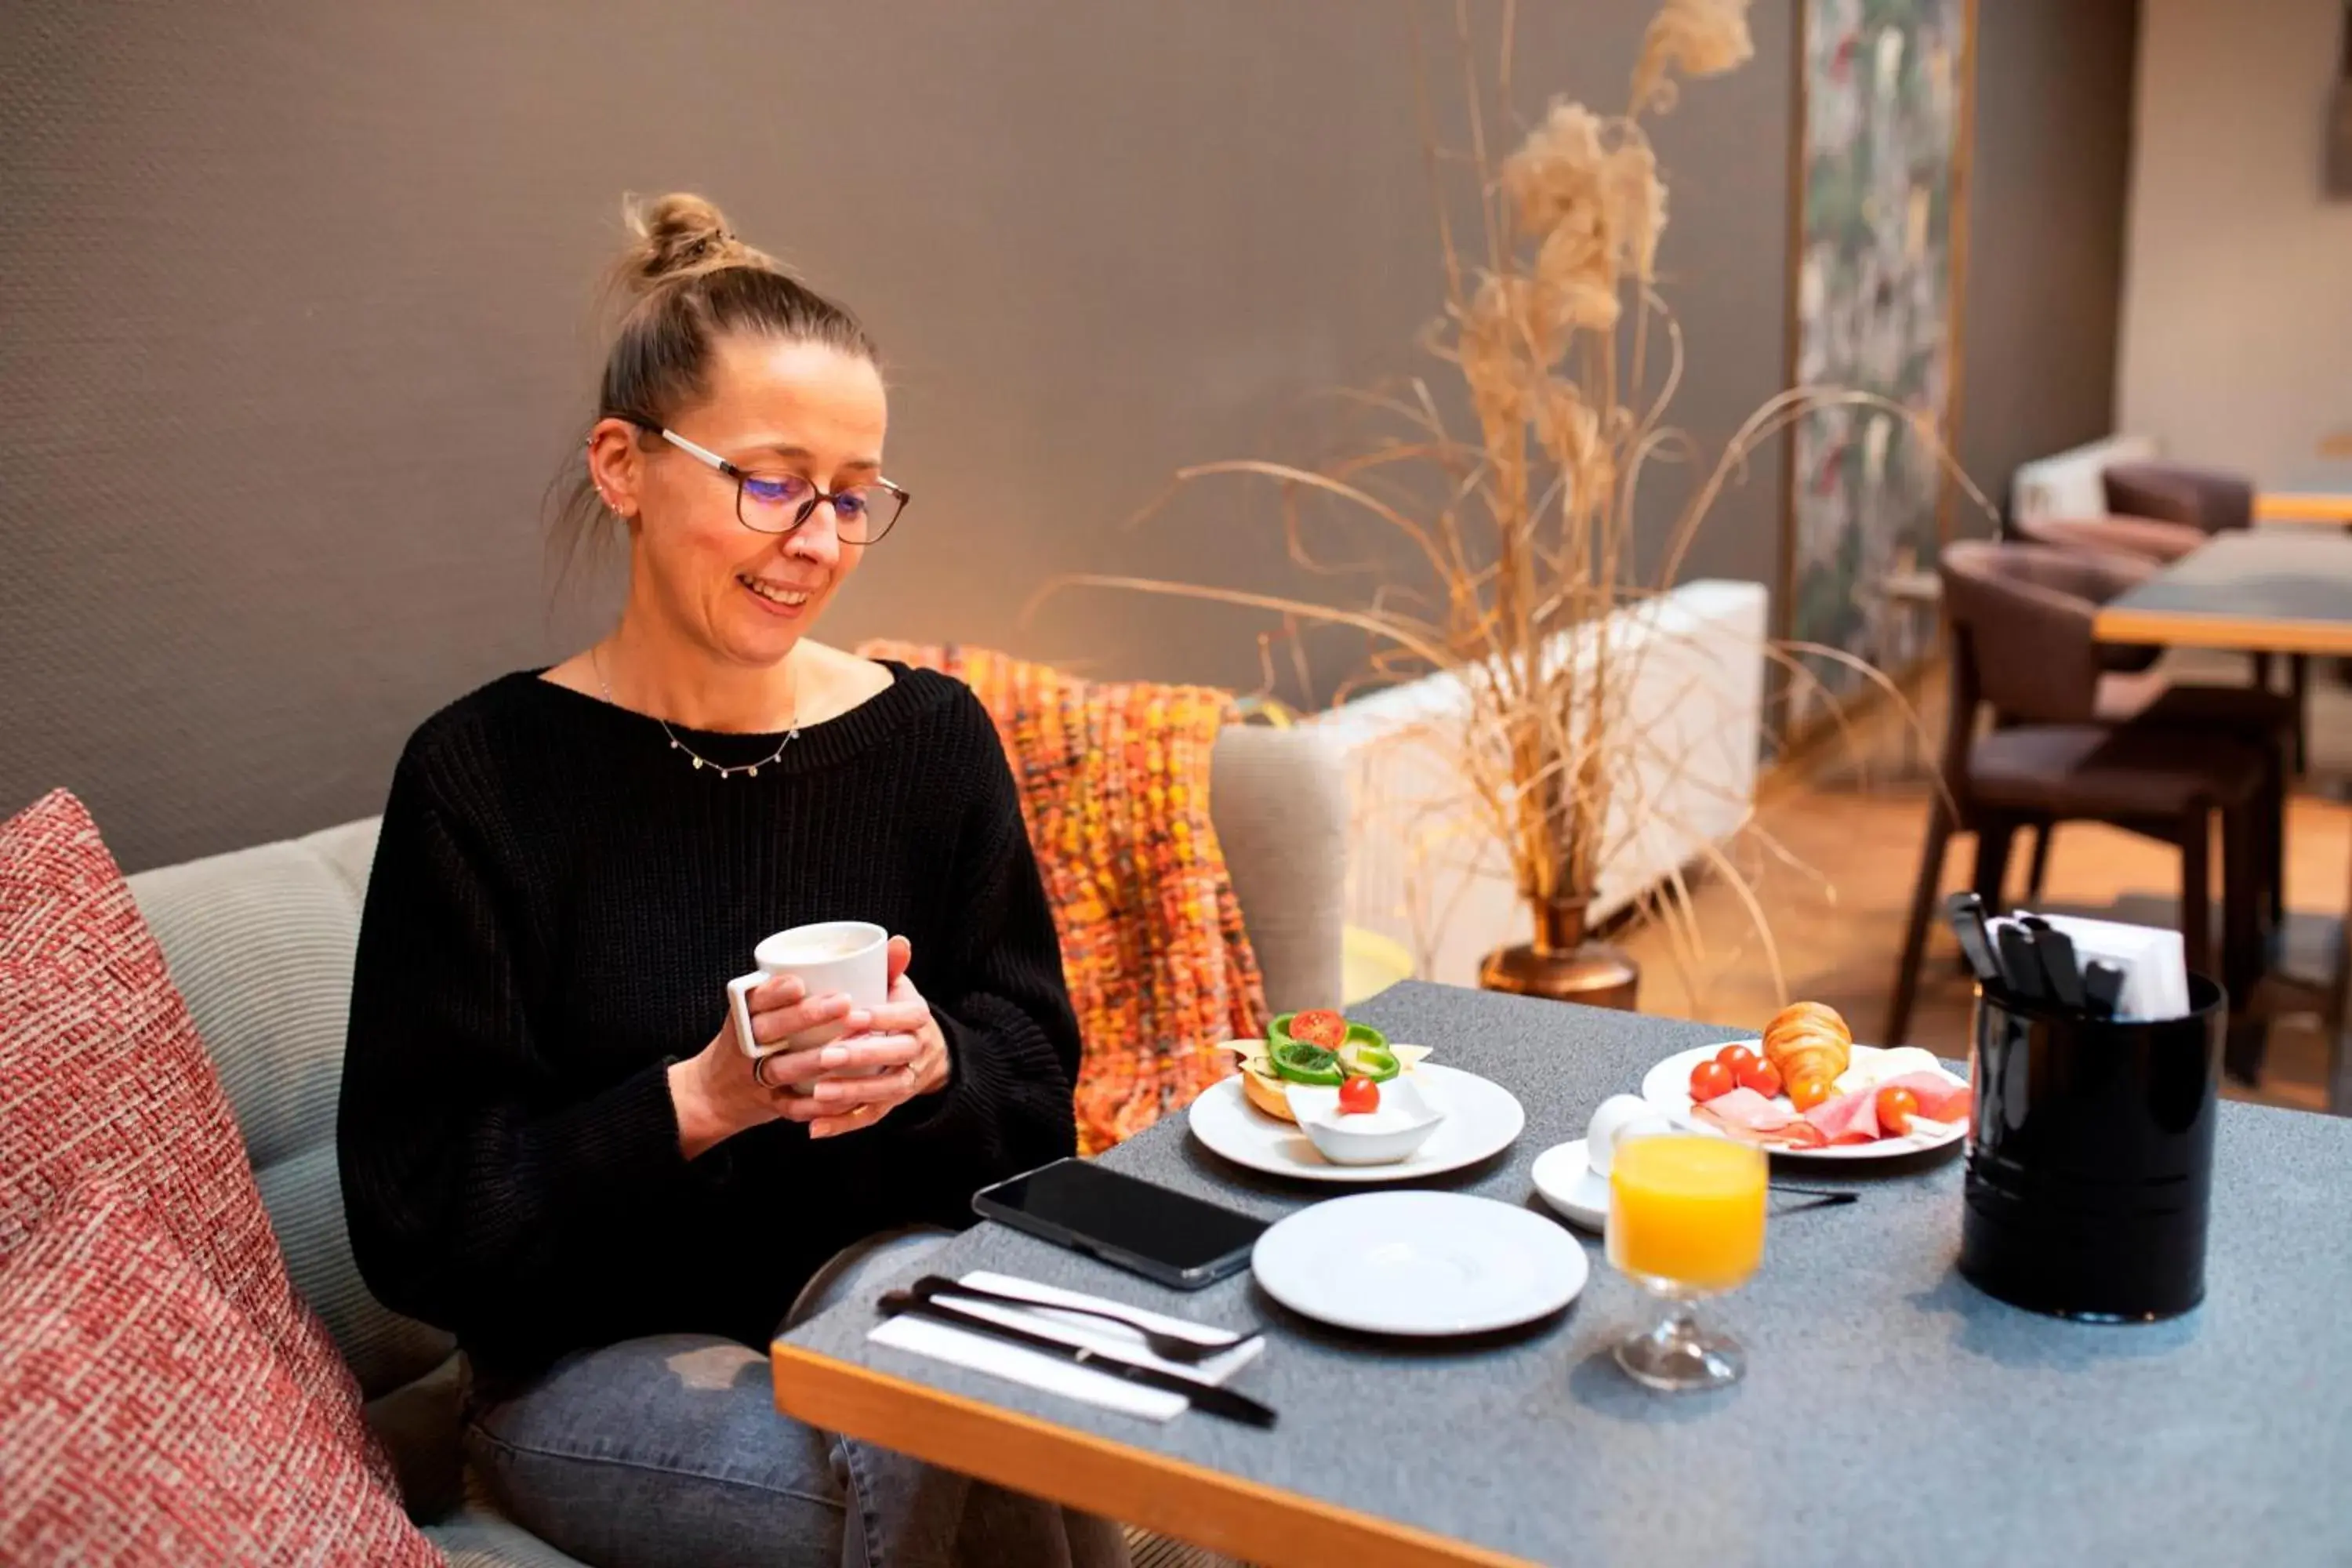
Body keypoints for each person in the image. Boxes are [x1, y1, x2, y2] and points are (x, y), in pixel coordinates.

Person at [337, 192, 1124, 1568]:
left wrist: (936, 1066)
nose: (816, 539)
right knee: (972, 1480)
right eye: (770, 482)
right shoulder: (482, 778)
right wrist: (698, 1102)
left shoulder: (929, 742)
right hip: (587, 1358)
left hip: (878, 1280)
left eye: (852, 495)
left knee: (981, 1407)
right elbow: (418, 1227)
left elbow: (1040, 1097)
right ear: (623, 465)